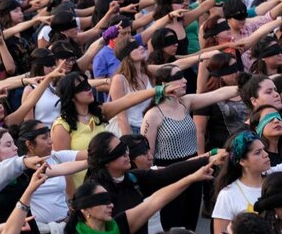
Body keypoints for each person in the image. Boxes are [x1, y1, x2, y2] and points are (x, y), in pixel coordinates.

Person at [141, 64, 239, 231]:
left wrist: (251, 84)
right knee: (173, 224)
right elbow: (146, 156)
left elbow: (218, 94)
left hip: (194, 167)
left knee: (191, 222)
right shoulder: (154, 115)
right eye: (178, 78)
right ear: (164, 84)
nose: (185, 80)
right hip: (170, 172)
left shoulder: (186, 102)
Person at [52, 71, 180, 187]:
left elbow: (127, 100)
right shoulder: (62, 126)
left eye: (87, 84)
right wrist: (70, 198)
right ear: (71, 96)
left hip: (110, 184)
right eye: (82, 88)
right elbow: (63, 166)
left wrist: (159, 90)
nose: (88, 89)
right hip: (84, 189)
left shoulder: (99, 113)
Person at [65, 161, 213, 234]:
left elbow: (157, 199)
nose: (110, 205)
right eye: (102, 201)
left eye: (109, 199)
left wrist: (192, 178)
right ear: (85, 209)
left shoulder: (120, 224)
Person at [212, 131, 271, 234]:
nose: (266, 155)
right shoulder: (228, 195)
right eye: (258, 152)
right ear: (242, 161)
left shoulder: (274, 181)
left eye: (264, 150)